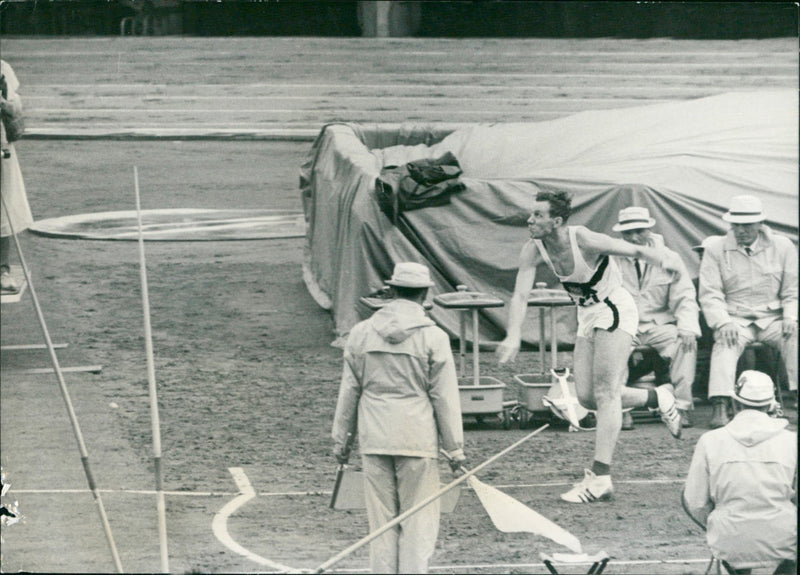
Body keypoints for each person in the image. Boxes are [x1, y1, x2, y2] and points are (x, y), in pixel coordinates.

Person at [496, 190, 684, 504]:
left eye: (538, 215)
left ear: (556, 221)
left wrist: (665, 258)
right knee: (585, 397)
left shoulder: (582, 238)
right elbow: (520, 295)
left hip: (615, 309)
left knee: (606, 391)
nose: (530, 220)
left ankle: (601, 477)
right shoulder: (532, 248)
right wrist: (513, 334)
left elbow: (631, 250)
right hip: (587, 315)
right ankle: (658, 396)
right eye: (532, 214)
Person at [331, 262, 465, 573]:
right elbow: (443, 397)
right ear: (424, 294)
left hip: (374, 437)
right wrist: (454, 447)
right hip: (417, 437)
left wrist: (342, 440)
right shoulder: (434, 337)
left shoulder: (361, 333)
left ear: (392, 291)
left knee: (381, 525)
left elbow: (349, 391)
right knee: (418, 523)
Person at [682, 370, 797, 575]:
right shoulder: (792, 441)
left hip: (728, 539)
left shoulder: (709, 441)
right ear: (771, 404)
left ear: (735, 403)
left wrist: (721, 524)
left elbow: (694, 501)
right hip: (784, 539)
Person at [698, 195, 797, 429]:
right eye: (736, 225)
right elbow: (710, 293)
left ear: (760, 224)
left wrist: (791, 317)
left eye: (747, 225)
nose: (741, 231)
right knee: (724, 341)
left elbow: (793, 289)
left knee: (796, 336)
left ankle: (796, 397)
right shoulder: (715, 248)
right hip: (735, 319)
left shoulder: (783, 247)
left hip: (772, 318)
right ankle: (720, 404)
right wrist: (722, 322)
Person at [611, 207, 700, 429]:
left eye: (639, 231)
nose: (633, 237)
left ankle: (681, 406)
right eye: (627, 232)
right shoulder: (610, 258)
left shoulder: (670, 258)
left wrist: (688, 327)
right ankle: (621, 409)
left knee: (685, 343)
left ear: (650, 229)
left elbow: (685, 296)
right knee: (612, 347)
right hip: (622, 324)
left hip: (658, 325)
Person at [1, 59, 33, 294]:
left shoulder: (1, 68)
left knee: (2, 209)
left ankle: (2, 269)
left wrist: (5, 104)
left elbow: (15, 108)